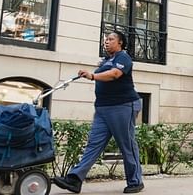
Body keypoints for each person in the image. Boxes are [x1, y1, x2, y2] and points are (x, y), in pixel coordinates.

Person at [53, 30, 145, 194]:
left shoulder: (123, 57)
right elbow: (105, 73)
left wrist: (92, 76)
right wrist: (91, 74)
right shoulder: (105, 61)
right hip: (103, 108)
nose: (106, 42)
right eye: (105, 39)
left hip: (122, 106)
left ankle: (135, 181)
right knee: (93, 144)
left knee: (127, 145)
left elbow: (115, 74)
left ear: (120, 43)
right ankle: (75, 179)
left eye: (111, 39)